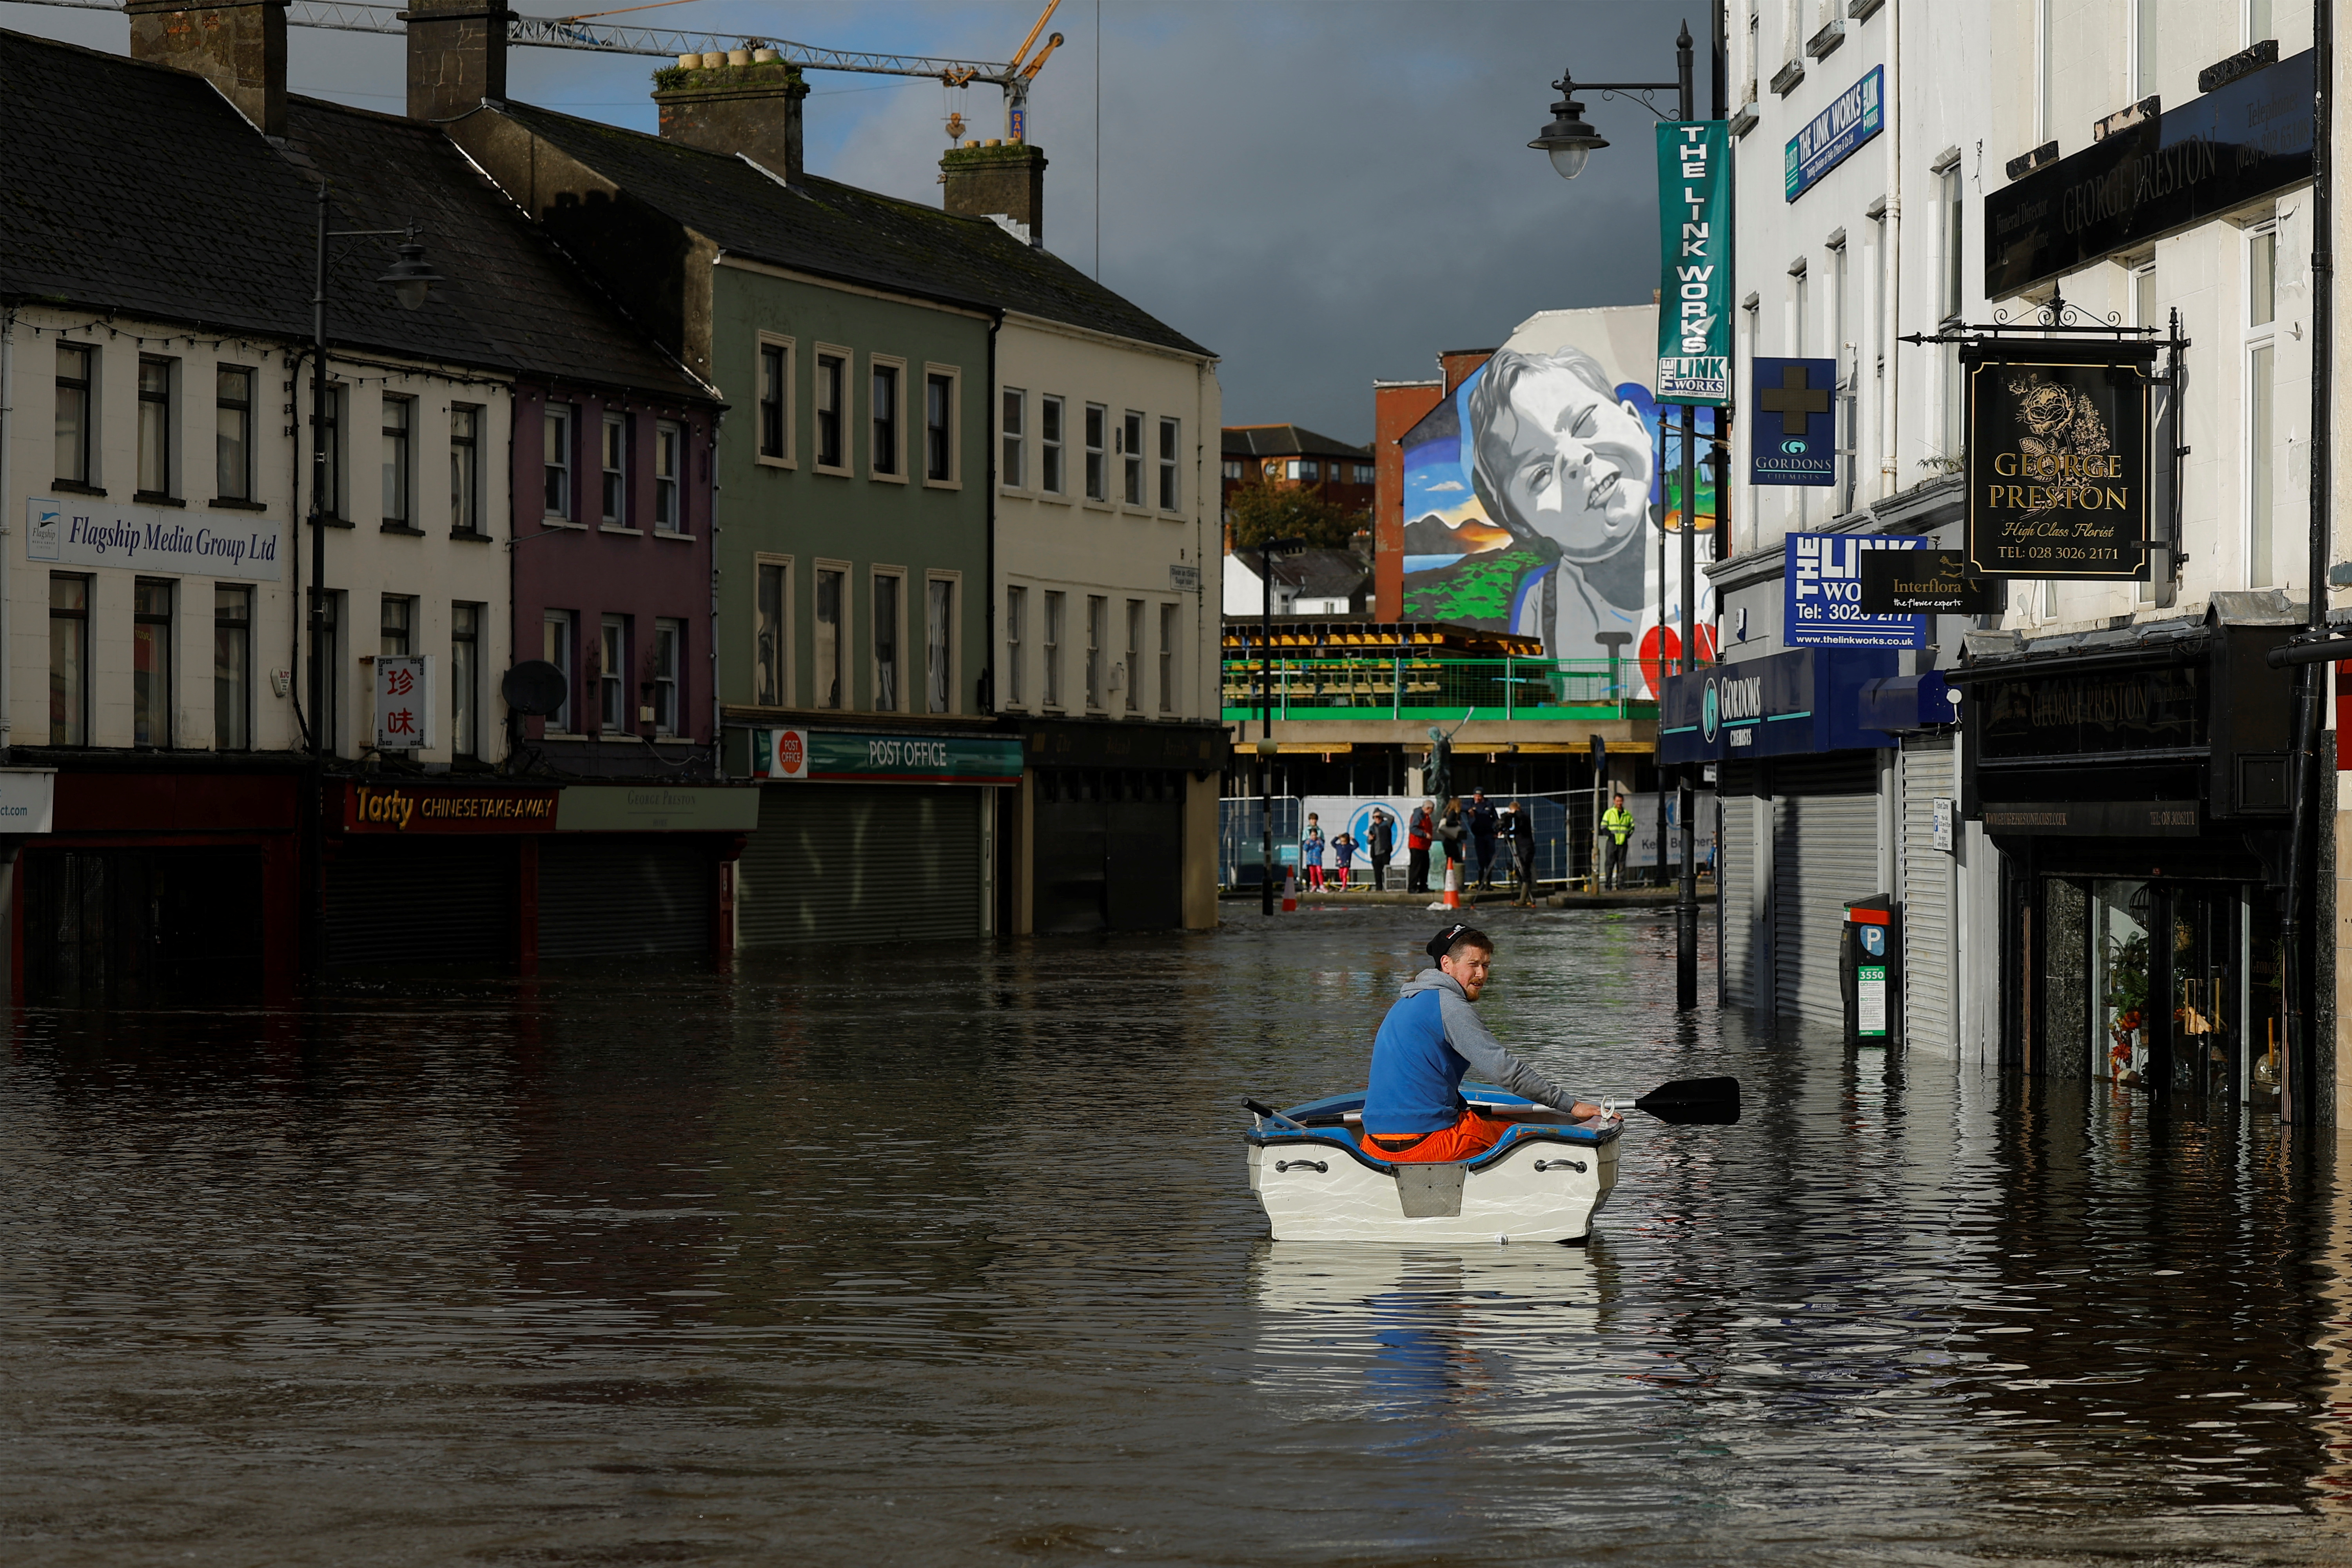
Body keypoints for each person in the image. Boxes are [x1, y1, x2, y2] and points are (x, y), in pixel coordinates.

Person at [1359, 925, 1604, 1163]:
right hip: (1428, 1142)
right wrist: (1572, 1106)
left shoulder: (1404, 1003)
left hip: (1372, 1145)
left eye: (1485, 966)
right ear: (1447, 964)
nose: (1481, 975)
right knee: (1531, 1139)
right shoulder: (1450, 1007)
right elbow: (1505, 1070)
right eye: (1473, 965)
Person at [1601, 791, 1635, 890]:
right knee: (1610, 864)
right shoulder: (1609, 813)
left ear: (1623, 802)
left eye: (1621, 801)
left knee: (1622, 864)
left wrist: (1628, 835)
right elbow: (1603, 827)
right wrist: (1610, 836)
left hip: (1623, 842)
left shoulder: (1627, 814)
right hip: (1612, 842)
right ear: (1614, 801)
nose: (1619, 803)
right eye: (1617, 801)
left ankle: (1620, 885)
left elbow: (1632, 827)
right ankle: (1608, 885)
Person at [1468, 789, 1501, 891]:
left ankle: (1488, 884)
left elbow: (1496, 819)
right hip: (1479, 837)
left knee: (1490, 861)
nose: (1477, 798)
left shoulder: (1489, 804)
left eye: (1479, 796)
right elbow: (1460, 806)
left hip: (1489, 836)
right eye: (1476, 796)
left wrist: (1497, 831)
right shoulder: (1470, 804)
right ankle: (1480, 883)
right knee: (1481, 861)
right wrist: (1470, 810)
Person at [1506, 800, 1538, 906]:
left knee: (1525, 872)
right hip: (1520, 848)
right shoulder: (1518, 819)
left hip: (1527, 848)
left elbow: (1522, 818)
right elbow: (1517, 830)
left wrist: (1514, 813)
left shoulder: (1524, 816)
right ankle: (1528, 897)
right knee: (1521, 872)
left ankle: (1522, 899)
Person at [1436, 797, 1468, 897]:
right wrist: (1457, 823)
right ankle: (1458, 884)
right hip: (1451, 841)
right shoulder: (1453, 813)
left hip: (1447, 840)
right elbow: (1449, 823)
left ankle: (1449, 883)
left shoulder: (1447, 812)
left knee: (1450, 860)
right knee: (1457, 860)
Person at [1406, 799, 1434, 895]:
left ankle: (1423, 886)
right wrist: (1424, 835)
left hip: (1424, 846)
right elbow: (1413, 828)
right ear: (1428, 808)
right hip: (1417, 845)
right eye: (1432, 810)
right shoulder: (1419, 815)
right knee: (1416, 867)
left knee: (1425, 867)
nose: (1433, 812)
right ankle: (1412, 888)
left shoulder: (1426, 817)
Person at [1366, 808, 1396, 892]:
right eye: (1375, 817)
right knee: (1377, 873)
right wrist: (1370, 839)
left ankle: (1389, 888)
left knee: (1387, 872)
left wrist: (1382, 814)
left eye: (1379, 817)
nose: (1377, 819)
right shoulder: (1372, 827)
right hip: (1375, 854)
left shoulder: (1386, 824)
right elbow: (1368, 841)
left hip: (1385, 852)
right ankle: (1379, 889)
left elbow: (1391, 818)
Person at [1301, 813, 1327, 893]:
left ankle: (1320, 886)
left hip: (1317, 855)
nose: (1313, 821)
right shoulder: (1306, 830)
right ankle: (1309, 886)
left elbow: (1322, 842)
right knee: (1310, 871)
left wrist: (1319, 848)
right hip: (1310, 855)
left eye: (1315, 819)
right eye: (1312, 819)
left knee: (1319, 871)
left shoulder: (1320, 831)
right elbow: (1304, 843)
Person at [1329, 824, 1357, 891]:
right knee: (1341, 876)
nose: (1343, 843)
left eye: (1345, 842)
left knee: (1345, 875)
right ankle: (1345, 885)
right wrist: (1337, 837)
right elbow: (1332, 843)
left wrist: (1353, 840)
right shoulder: (1338, 846)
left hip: (1346, 864)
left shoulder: (1350, 847)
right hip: (1340, 863)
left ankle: (1344, 886)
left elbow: (1356, 845)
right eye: (1342, 842)